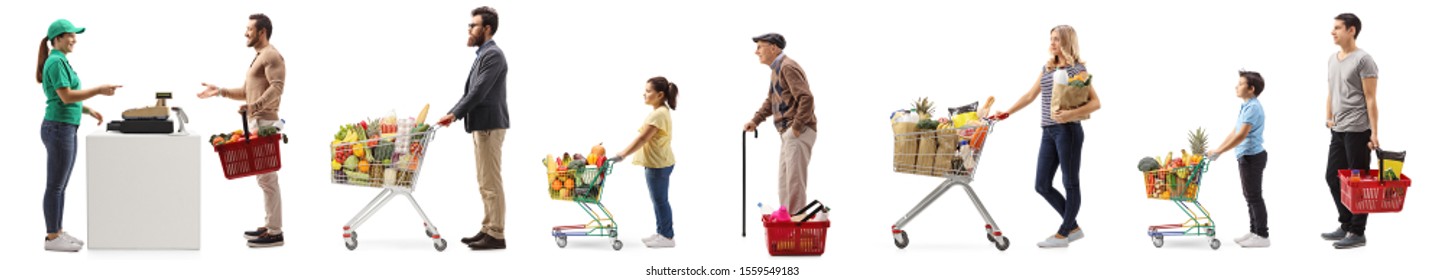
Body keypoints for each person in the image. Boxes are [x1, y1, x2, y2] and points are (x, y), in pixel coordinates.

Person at [991, 25, 1102, 248]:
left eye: (1057, 40)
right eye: (1051, 39)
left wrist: (1070, 114)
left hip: (1068, 131)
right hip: (1048, 131)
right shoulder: (1048, 67)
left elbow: (1096, 103)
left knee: (1070, 182)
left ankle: (1063, 234)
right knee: (1042, 185)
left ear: (1067, 42)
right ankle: (1073, 227)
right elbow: (1030, 95)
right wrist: (1007, 113)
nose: (1052, 43)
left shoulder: (1078, 70)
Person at [196, 13, 288, 248]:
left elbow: (277, 88)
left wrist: (254, 107)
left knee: (268, 179)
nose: (245, 33)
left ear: (262, 32)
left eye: (249, 29)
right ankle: (270, 226)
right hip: (257, 122)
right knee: (264, 179)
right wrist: (220, 91)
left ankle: (275, 232)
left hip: (266, 123)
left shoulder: (271, 55)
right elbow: (247, 93)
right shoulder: (258, 57)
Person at [36, 19, 123, 252]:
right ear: (57, 39)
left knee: (60, 185)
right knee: (55, 185)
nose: (75, 39)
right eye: (70, 35)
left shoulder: (60, 60)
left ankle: (58, 231)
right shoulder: (55, 62)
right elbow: (65, 97)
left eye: (75, 35)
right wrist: (99, 91)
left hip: (65, 126)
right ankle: (52, 237)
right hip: (58, 128)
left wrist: (87, 109)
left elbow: (65, 96)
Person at [438, 6, 510, 251]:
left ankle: (497, 235)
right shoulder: (483, 54)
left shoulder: (494, 56)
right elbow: (471, 92)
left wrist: (454, 114)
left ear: (486, 29)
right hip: (482, 125)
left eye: (473, 25)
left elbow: (477, 92)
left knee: (491, 181)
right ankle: (488, 227)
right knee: (483, 181)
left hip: (490, 125)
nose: (469, 29)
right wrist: (453, 112)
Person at [1321, 13, 1380, 249]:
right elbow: (1331, 91)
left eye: (1337, 28)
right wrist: (1328, 117)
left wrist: (1374, 133)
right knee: (1332, 177)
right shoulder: (1332, 59)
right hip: (1339, 129)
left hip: (1358, 129)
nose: (1332, 32)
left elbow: (1371, 98)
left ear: (1351, 30)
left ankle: (1358, 231)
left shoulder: (1364, 60)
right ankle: (1346, 224)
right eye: (1332, 28)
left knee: (1358, 182)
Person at [742, 33, 817, 213]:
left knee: (794, 183)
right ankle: (787, 222)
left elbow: (806, 98)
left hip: (798, 130)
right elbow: (771, 100)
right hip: (787, 133)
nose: (756, 51)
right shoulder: (777, 69)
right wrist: (756, 120)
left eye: (760, 47)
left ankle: (796, 227)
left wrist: (796, 128)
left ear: (773, 47)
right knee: (785, 183)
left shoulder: (787, 67)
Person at [613, 77, 678, 248]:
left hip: (658, 164)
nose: (644, 94)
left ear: (660, 94)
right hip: (659, 162)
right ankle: (662, 233)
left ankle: (667, 237)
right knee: (658, 200)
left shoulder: (659, 114)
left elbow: (642, 138)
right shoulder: (660, 111)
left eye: (648, 91)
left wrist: (622, 155)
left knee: (660, 201)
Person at [1207, 71, 1269, 248]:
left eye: (1241, 83)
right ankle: (1254, 231)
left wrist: (1220, 152)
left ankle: (1262, 235)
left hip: (1252, 157)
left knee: (1254, 196)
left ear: (1251, 89)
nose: (1236, 86)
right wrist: (1217, 149)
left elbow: (1241, 136)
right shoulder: (1246, 106)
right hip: (1246, 156)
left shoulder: (1253, 108)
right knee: (1249, 196)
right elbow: (1234, 132)